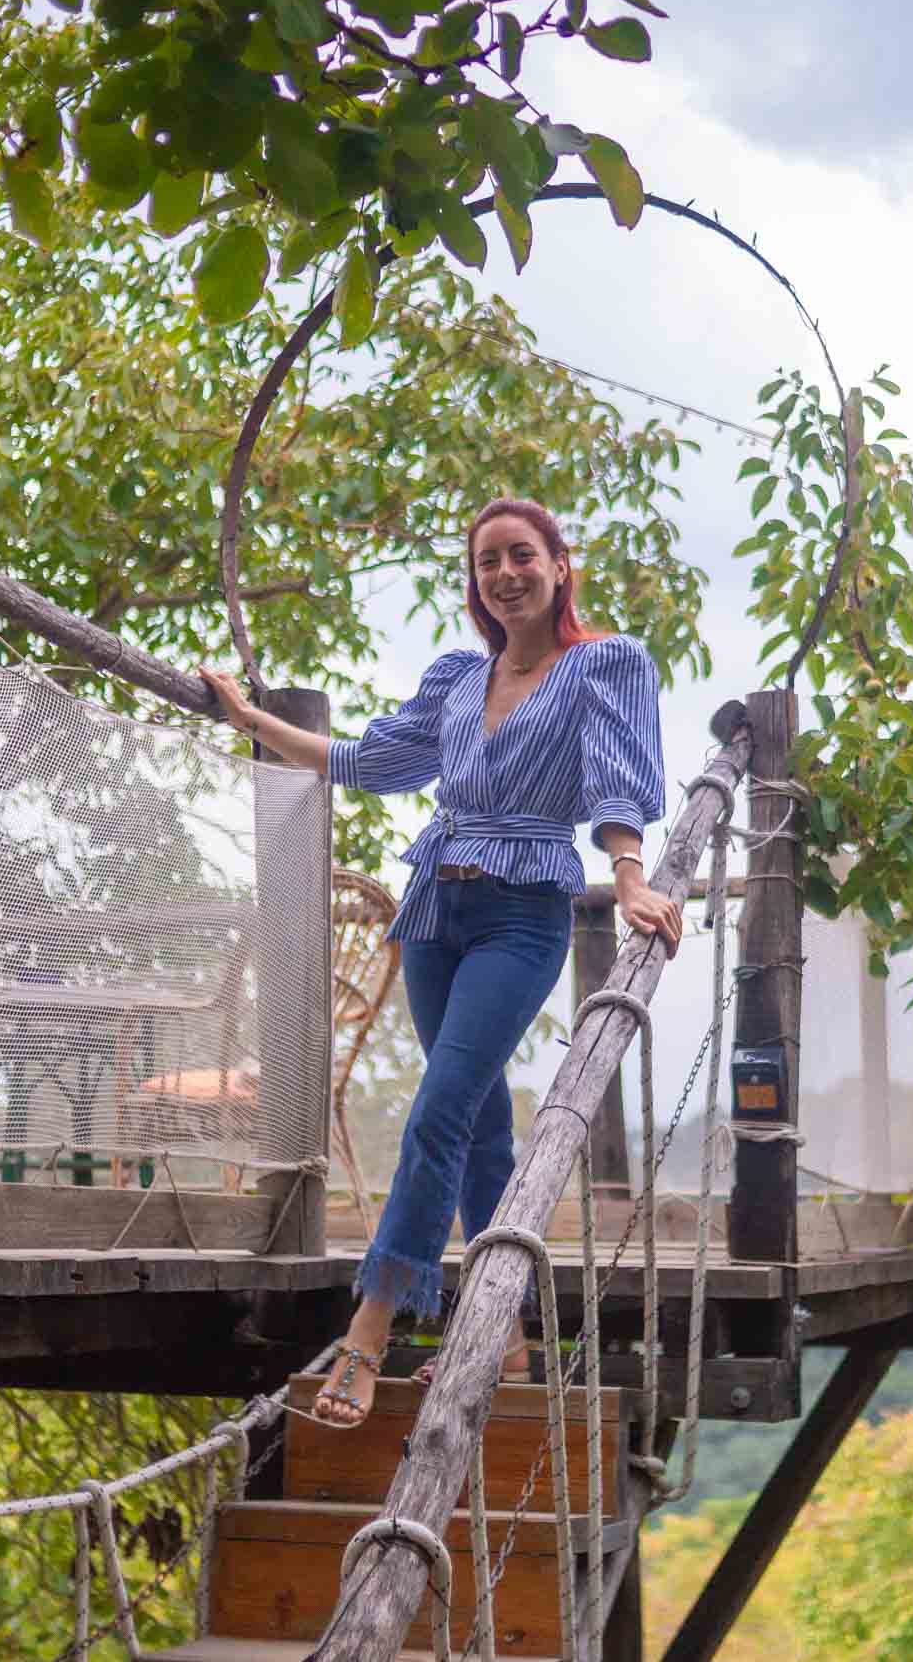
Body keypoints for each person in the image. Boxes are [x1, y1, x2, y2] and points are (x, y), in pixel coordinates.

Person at [202, 496, 681, 1428]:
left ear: (556, 563)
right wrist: (248, 716)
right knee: (471, 1119)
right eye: (486, 563)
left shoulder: (604, 664)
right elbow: (366, 761)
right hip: (434, 906)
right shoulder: (460, 677)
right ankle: (504, 1339)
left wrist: (627, 878)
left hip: (521, 911)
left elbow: (621, 783)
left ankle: (367, 1338)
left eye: (519, 555)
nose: (503, 575)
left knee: (435, 1114)